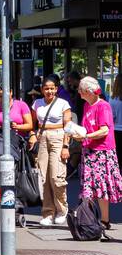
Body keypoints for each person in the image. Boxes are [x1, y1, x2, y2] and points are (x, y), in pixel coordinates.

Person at [73, 75, 122, 230]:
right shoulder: (87, 106)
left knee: (101, 187)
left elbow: (105, 130)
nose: (79, 93)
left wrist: (86, 136)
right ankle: (90, 218)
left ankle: (104, 219)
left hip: (102, 152)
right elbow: (87, 128)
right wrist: (79, 134)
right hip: (89, 151)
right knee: (88, 187)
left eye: (81, 90)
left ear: (88, 91)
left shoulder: (104, 106)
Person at [31, 76, 72, 226]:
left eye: (52, 88)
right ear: (42, 90)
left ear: (56, 89)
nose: (49, 91)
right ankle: (48, 212)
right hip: (42, 138)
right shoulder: (37, 104)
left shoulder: (63, 104)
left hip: (58, 137)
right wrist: (32, 135)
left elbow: (68, 125)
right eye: (46, 88)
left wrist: (66, 146)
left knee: (56, 176)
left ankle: (62, 209)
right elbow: (32, 124)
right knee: (43, 177)